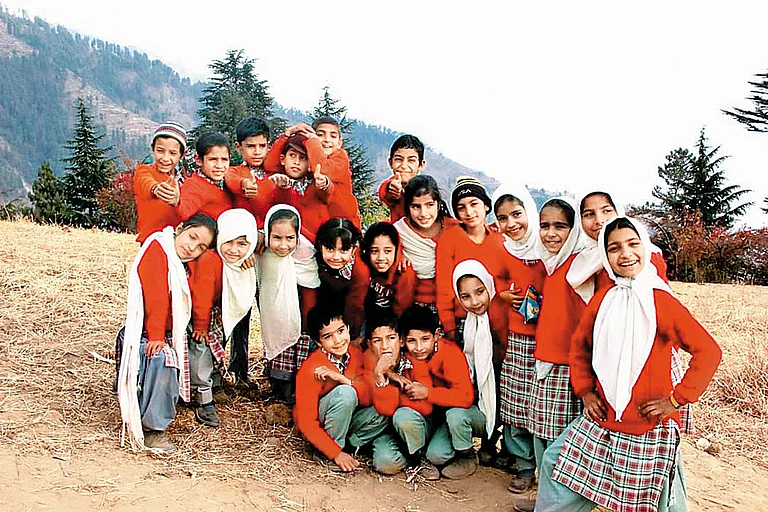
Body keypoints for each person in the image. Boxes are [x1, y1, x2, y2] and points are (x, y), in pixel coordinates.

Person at [534, 216, 722, 512]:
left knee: (662, 497)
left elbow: (709, 352)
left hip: (649, 425)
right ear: (605, 257)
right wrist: (585, 391)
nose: (625, 254)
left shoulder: (662, 302)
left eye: (633, 244)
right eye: (614, 248)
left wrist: (676, 399)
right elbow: (580, 347)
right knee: (556, 463)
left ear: (645, 247)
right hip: (604, 418)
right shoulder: (603, 299)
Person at [116, 214, 217, 454]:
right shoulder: (158, 248)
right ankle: (153, 427)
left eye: (201, 246)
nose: (192, 247)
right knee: (164, 359)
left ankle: (195, 398)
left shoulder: (185, 261)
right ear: (180, 228)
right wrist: (157, 337)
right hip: (147, 330)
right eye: (192, 237)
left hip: (169, 329)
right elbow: (157, 296)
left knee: (202, 346)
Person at [513, 196, 584, 512]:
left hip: (569, 365)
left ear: (574, 229)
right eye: (544, 226)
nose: (551, 233)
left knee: (559, 443)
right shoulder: (548, 265)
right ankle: (546, 499)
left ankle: (557, 503)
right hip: (545, 358)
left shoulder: (579, 267)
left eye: (561, 226)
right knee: (541, 434)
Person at [491, 182, 544, 490]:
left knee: (542, 402)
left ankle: (544, 464)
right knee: (515, 399)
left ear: (529, 211)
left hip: (548, 338)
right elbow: (498, 277)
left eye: (517, 214)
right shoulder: (505, 249)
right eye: (503, 217)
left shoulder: (547, 245)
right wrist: (503, 294)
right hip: (518, 334)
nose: (511, 224)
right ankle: (523, 464)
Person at [294, 304, 388, 472]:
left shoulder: (356, 354)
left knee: (384, 409)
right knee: (346, 394)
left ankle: (348, 446)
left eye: (341, 331)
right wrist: (334, 453)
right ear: (318, 342)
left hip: (345, 418)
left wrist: (343, 379)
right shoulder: (311, 369)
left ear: (348, 329)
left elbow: (367, 398)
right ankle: (328, 452)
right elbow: (306, 422)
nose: (338, 340)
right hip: (320, 422)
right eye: (328, 336)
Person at [186, 209, 258, 425]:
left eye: (242, 244)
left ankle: (215, 381)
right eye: (228, 242)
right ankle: (203, 399)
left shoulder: (242, 263)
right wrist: (201, 324)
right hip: (198, 313)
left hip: (216, 311)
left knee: (217, 347)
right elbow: (202, 294)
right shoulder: (210, 258)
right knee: (201, 352)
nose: (234, 250)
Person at [399, 304, 475, 480]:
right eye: (412, 341)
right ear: (403, 340)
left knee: (456, 416)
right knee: (434, 453)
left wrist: (428, 393)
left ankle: (467, 455)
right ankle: (420, 457)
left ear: (437, 335)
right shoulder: (403, 356)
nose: (419, 347)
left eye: (425, 339)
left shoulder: (450, 354)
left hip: (460, 412)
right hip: (432, 415)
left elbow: (466, 398)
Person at [258, 205, 321, 404]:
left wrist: (308, 323)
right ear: (267, 234)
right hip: (275, 316)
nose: (283, 245)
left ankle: (297, 392)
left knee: (299, 354)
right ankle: (279, 391)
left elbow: (311, 287)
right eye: (276, 238)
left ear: (298, 235)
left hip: (303, 318)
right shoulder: (263, 253)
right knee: (279, 348)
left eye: (290, 238)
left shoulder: (306, 256)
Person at [362, 311, 434, 476]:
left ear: (401, 341)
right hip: (388, 428)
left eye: (391, 338)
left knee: (402, 417)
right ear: (370, 344)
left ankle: (419, 456)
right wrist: (382, 374)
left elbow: (426, 407)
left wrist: (391, 388)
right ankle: (405, 455)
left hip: (414, 424)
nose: (385, 346)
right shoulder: (369, 361)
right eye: (377, 341)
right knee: (386, 464)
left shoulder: (414, 362)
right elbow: (384, 408)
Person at [435, 175, 505, 343]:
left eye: (474, 204)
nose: (469, 212)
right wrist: (450, 327)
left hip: (499, 322)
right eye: (461, 207)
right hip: (464, 321)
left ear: (486, 206)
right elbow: (444, 288)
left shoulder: (501, 240)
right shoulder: (450, 239)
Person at [393, 175, 458, 314]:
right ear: (408, 207)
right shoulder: (398, 232)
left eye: (429, 205)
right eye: (416, 206)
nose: (423, 213)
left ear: (438, 204)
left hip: (454, 306)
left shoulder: (455, 229)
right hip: (413, 307)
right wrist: (398, 257)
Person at [346, 222, 417, 340]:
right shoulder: (361, 267)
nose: (381, 258)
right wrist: (355, 336)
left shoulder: (405, 272)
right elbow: (355, 304)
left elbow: (402, 310)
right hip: (365, 317)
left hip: (393, 321)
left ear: (397, 251)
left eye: (388, 251)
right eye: (374, 251)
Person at [265, 133, 334, 243]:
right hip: (286, 246)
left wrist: (324, 183)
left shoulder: (315, 183)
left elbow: (327, 192)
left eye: (303, 158)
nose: (297, 162)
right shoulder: (275, 181)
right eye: (292, 155)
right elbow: (279, 206)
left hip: (318, 244)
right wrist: (283, 188)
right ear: (282, 159)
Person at [133, 122, 186, 243]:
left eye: (172, 153)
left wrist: (179, 202)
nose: (165, 158)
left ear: (182, 155)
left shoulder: (185, 181)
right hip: (151, 241)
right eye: (160, 151)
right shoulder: (144, 171)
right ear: (153, 149)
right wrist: (156, 189)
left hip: (178, 243)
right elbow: (145, 183)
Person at [224, 116, 274, 227]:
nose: (257, 152)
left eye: (262, 146)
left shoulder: (274, 174)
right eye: (251, 146)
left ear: (269, 147)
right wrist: (244, 183)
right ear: (238, 147)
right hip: (242, 231)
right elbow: (230, 179)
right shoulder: (235, 171)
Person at [177, 131, 233, 221]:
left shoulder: (228, 180)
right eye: (212, 159)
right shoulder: (194, 186)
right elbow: (183, 213)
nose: (219, 165)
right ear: (198, 160)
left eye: (224, 159)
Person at [314, 218, 366, 314]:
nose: (336, 257)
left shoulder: (360, 272)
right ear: (320, 246)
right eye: (330, 249)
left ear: (353, 249)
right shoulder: (314, 260)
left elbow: (356, 307)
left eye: (343, 250)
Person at [378, 134, 427, 222]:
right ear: (390, 162)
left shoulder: (427, 189)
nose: (404, 166)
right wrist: (392, 189)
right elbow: (385, 192)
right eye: (398, 159)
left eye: (411, 160)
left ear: (421, 165)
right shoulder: (391, 186)